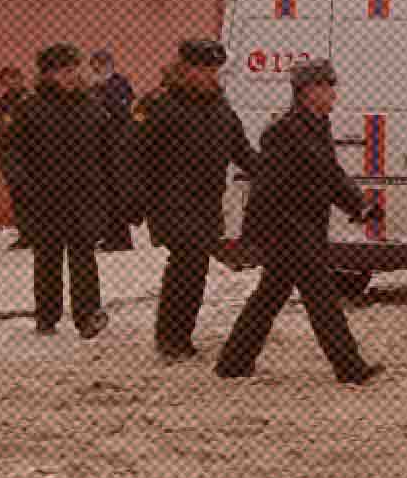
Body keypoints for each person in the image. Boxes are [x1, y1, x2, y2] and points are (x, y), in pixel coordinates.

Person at [215, 59, 385, 385]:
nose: (334, 93)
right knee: (321, 299)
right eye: (328, 86)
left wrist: (360, 205)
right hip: (289, 229)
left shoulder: (316, 125)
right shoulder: (284, 131)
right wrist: (265, 233)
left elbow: (330, 175)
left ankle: (233, 362)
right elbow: (268, 186)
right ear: (309, 91)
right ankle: (350, 368)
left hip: (302, 227)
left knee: (269, 297)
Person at [135, 40, 257, 362]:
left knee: (194, 267)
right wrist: (133, 203)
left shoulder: (219, 107)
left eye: (215, 70)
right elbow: (132, 155)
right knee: (187, 260)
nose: (212, 77)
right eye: (205, 70)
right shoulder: (160, 106)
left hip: (205, 204)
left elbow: (242, 151)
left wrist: (273, 173)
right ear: (186, 69)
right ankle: (170, 339)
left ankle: (179, 336)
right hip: (170, 203)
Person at [5, 44, 125, 338]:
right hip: (44, 198)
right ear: (47, 74)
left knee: (84, 256)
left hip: (84, 197)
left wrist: (114, 191)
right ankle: (47, 316)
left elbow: (108, 153)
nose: (71, 75)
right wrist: (23, 186)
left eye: (74, 69)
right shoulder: (28, 108)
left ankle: (87, 316)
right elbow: (11, 152)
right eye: (63, 70)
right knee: (48, 258)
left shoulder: (92, 107)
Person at [91, 50, 137, 251]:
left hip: (117, 146)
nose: (95, 70)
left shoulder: (119, 84)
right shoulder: (98, 87)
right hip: (102, 145)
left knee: (116, 193)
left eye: (98, 65)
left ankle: (120, 239)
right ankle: (110, 234)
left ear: (107, 64)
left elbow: (121, 113)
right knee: (105, 193)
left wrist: (101, 106)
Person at [0, 66, 30, 249]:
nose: (9, 83)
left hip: (30, 156)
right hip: (10, 155)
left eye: (13, 78)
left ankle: (41, 235)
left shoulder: (32, 100)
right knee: (18, 195)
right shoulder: (1, 104)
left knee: (34, 196)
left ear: (21, 79)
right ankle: (26, 234)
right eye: (5, 80)